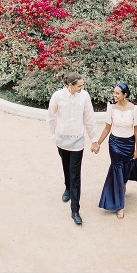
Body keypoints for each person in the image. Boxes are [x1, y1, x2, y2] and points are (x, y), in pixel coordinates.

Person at [47, 71, 98, 225]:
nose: (82, 88)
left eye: (82, 85)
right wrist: (53, 136)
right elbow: (50, 117)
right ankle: (67, 188)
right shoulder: (57, 96)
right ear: (69, 85)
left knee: (75, 174)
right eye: (79, 86)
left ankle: (75, 210)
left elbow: (89, 118)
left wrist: (94, 140)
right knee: (65, 167)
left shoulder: (84, 96)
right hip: (61, 140)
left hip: (77, 141)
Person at [92, 80, 137, 219]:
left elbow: (136, 131)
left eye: (117, 93)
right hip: (115, 144)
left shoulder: (134, 109)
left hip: (129, 143)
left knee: (125, 172)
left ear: (124, 95)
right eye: (114, 92)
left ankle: (123, 186)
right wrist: (97, 143)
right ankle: (119, 205)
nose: (114, 95)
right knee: (117, 171)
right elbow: (107, 127)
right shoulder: (111, 108)